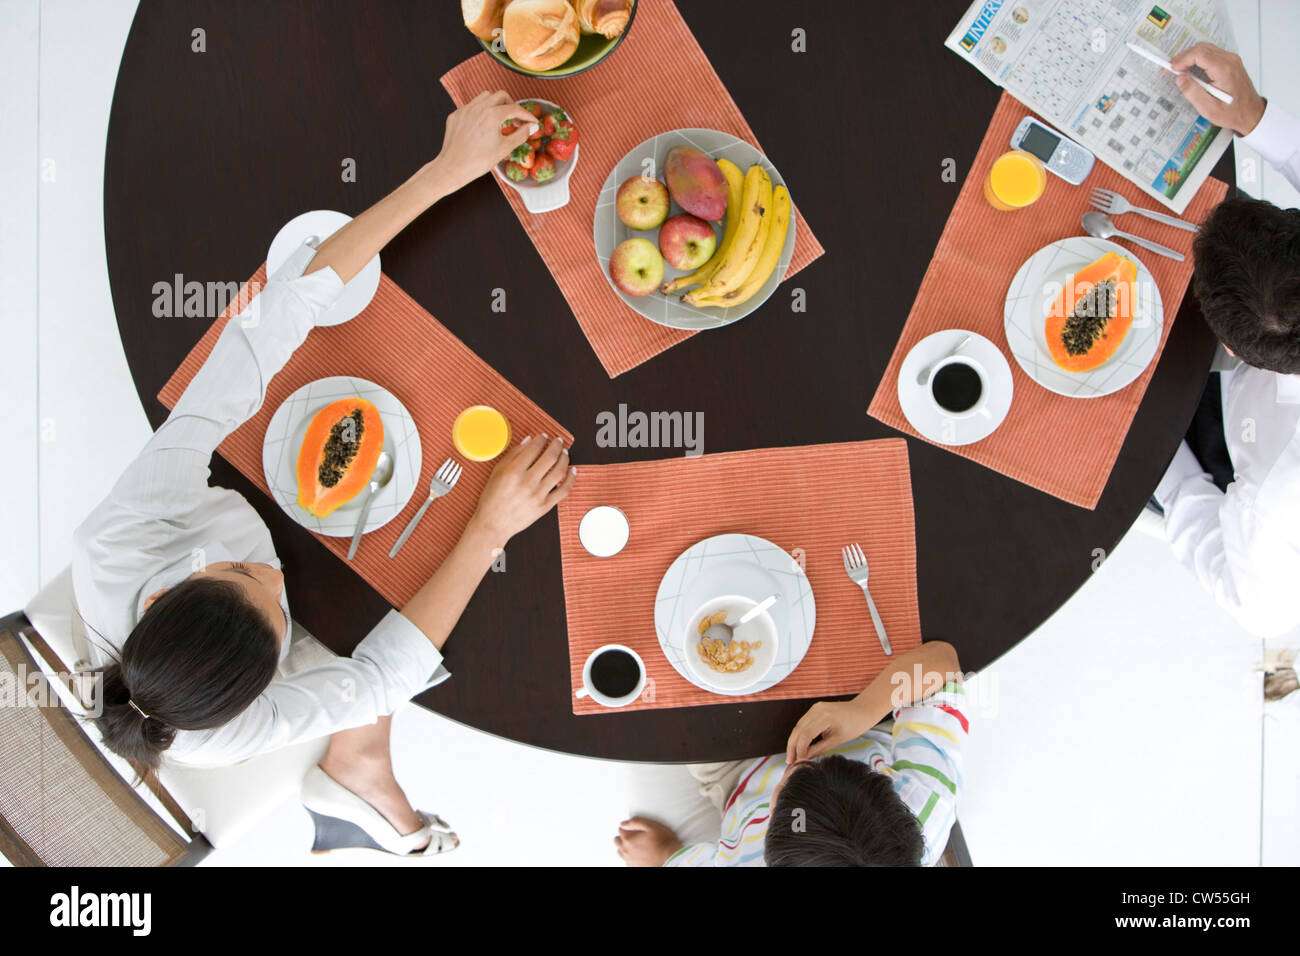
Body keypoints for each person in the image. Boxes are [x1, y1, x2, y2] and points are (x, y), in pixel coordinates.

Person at [73, 91, 574, 857]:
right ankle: (359, 769)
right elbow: (376, 681)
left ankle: (358, 766)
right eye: (282, 613)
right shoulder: (229, 730)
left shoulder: (126, 532)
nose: (280, 578)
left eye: (246, 572)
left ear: (174, 585)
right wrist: (489, 527)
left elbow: (264, 331)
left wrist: (443, 173)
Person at [1152, 43, 1300, 641]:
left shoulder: (1272, 514)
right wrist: (1256, 117)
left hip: (1234, 453)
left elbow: (1208, 539)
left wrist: (1148, 438)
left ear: (1228, 348)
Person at [615, 642, 968, 866]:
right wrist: (863, 710)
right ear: (887, 788)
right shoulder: (924, 805)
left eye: (784, 796)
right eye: (825, 768)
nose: (799, 763)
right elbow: (944, 665)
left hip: (733, 771)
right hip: (858, 724)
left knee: (657, 670)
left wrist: (663, 854)